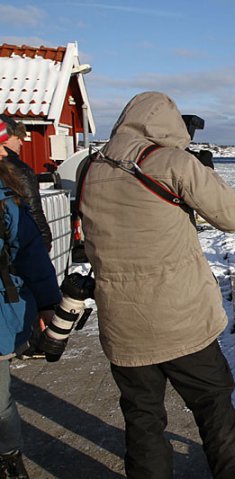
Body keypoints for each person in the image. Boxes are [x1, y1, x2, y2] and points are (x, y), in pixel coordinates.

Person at [77, 92, 235, 479]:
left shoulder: (91, 168)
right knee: (213, 405)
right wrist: (204, 172)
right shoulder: (171, 162)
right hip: (180, 321)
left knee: (142, 418)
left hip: (122, 323)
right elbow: (232, 217)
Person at [0, 120, 61, 478]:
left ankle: (8, 458)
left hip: (3, 302)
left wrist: (47, 302)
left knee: (0, 399)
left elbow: (29, 252)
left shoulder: (8, 195)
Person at [0, 115, 52, 252]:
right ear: (7, 139)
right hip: (19, 242)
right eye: (18, 138)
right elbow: (33, 209)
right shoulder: (20, 170)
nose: (21, 144)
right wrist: (45, 240)